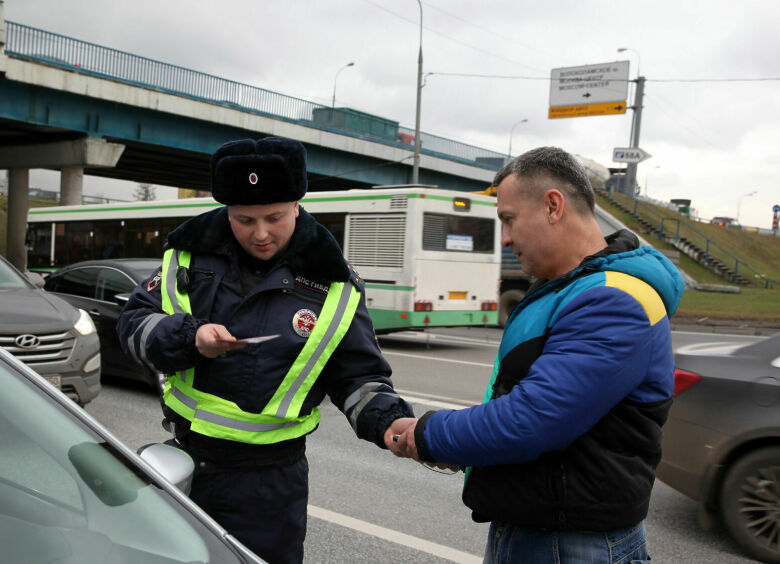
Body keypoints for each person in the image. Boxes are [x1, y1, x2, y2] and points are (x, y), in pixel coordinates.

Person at [117, 137, 414, 564]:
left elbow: (358, 376)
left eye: (274, 217)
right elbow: (133, 326)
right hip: (184, 460)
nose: (260, 234)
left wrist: (390, 420)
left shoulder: (335, 284)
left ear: (297, 204)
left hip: (270, 485)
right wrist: (189, 338)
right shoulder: (185, 258)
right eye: (244, 220)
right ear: (226, 212)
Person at [389, 146, 685, 563]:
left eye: (508, 220)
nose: (505, 238)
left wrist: (427, 435)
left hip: (573, 545)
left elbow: (532, 420)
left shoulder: (613, 300)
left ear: (552, 206)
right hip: (542, 532)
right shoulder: (567, 287)